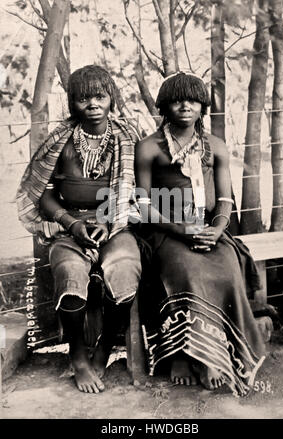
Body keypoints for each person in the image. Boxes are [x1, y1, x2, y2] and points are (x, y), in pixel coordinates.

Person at [135, 72, 266, 397]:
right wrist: (180, 229)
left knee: (228, 271)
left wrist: (217, 229)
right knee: (188, 272)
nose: (185, 106)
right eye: (177, 100)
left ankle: (218, 352)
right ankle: (184, 355)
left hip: (207, 229)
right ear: (165, 105)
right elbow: (142, 203)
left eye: (192, 99)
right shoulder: (150, 147)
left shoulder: (214, 146)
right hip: (165, 231)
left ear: (202, 106)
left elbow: (223, 201)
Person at [17, 65, 142, 394]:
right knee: (71, 271)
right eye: (84, 98)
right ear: (73, 102)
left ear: (111, 98)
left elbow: (140, 191)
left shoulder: (127, 138)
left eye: (100, 96)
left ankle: (102, 350)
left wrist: (108, 219)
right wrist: (71, 224)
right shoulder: (60, 141)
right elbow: (41, 192)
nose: (93, 104)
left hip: (115, 224)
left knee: (125, 267)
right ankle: (78, 358)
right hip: (69, 227)